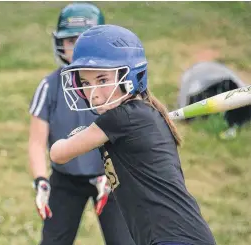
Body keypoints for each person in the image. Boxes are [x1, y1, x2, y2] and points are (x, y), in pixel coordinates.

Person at [50, 24, 217, 245]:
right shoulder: (138, 115)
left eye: (102, 80)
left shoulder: (119, 119)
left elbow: (58, 153)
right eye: (85, 83)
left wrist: (74, 137)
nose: (94, 94)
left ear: (130, 75)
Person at [28, 4, 135, 245]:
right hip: (66, 179)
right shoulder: (49, 86)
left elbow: (130, 135)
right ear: (60, 43)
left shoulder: (117, 85)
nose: (77, 47)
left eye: (84, 39)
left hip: (111, 177)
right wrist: (40, 180)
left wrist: (118, 172)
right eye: (71, 40)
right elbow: (36, 142)